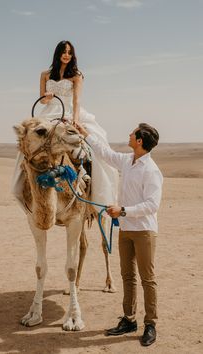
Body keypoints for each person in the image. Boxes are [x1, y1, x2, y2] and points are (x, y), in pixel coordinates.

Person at [75, 122, 163, 347]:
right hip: (125, 230)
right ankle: (129, 319)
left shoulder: (151, 170)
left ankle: (150, 324)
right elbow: (106, 154)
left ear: (140, 141)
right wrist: (86, 134)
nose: (129, 134)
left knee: (147, 279)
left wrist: (123, 210)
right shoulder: (127, 160)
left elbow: (152, 205)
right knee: (127, 276)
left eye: (132, 133)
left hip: (144, 231)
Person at [11, 40, 118, 212]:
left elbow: (77, 100)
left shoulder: (77, 75)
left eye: (70, 52)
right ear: (58, 53)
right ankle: (21, 186)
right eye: (64, 52)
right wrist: (47, 96)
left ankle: (93, 186)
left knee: (96, 141)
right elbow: (43, 100)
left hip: (69, 112)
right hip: (48, 113)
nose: (67, 55)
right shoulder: (45, 74)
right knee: (30, 144)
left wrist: (75, 120)